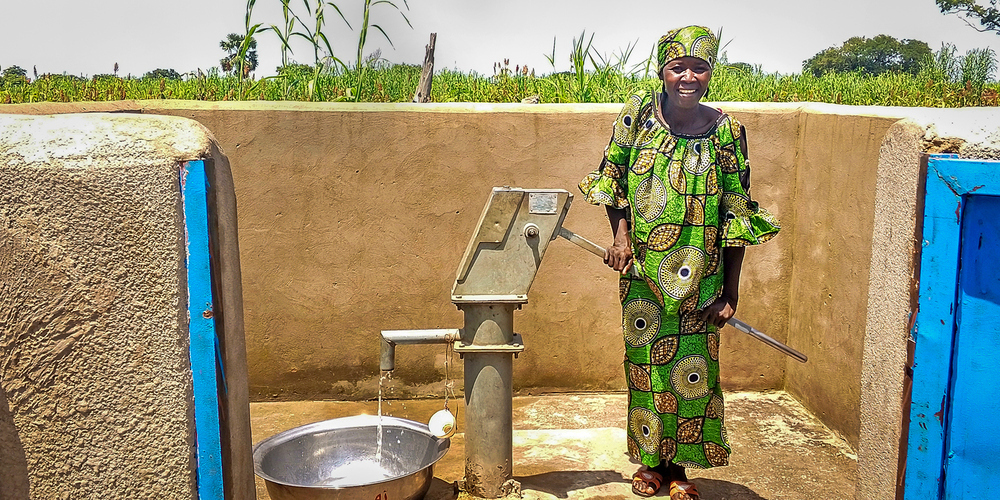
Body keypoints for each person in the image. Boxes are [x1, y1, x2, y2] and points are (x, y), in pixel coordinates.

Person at [578, 26, 780, 499]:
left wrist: (730, 293)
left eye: (699, 67)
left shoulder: (727, 131)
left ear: (711, 72)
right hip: (643, 277)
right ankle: (651, 463)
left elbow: (736, 215)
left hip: (703, 281)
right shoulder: (636, 115)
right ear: (662, 71)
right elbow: (612, 180)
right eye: (677, 67)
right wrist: (621, 238)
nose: (688, 77)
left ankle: (680, 469)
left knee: (692, 376)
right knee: (646, 370)